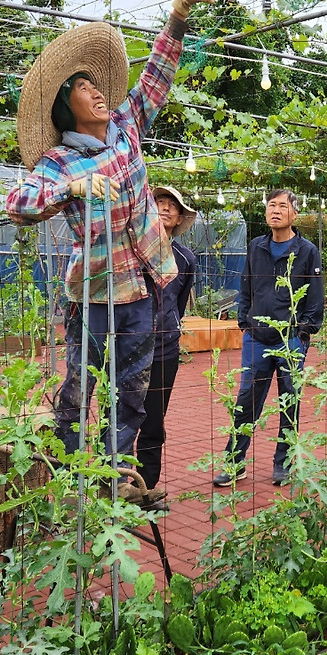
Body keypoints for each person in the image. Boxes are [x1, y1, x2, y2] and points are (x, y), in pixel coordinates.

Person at [6, 0, 211, 461]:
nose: (97, 93)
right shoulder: (57, 161)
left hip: (145, 290)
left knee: (132, 396)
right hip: (96, 296)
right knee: (78, 394)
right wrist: (69, 188)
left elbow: (157, 75)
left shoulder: (125, 127)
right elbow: (17, 206)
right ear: (64, 105)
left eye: (96, 85)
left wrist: (178, 14)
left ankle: (113, 478)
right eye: (82, 88)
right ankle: (70, 476)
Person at [213, 189, 324, 487]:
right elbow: (245, 285)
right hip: (257, 339)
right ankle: (235, 463)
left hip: (290, 340)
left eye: (282, 206)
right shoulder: (255, 247)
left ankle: (283, 463)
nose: (276, 211)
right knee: (246, 400)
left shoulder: (307, 251)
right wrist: (244, 321)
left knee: (289, 401)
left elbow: (315, 297)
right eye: (271, 206)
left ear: (294, 213)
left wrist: (304, 333)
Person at [134, 185, 198, 496]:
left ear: (179, 218)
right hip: (127, 346)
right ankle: (112, 481)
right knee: (118, 414)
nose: (166, 208)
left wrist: (168, 324)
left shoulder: (186, 259)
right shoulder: (131, 249)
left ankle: (147, 484)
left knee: (154, 418)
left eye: (173, 205)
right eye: (160, 202)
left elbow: (180, 301)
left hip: (165, 349)